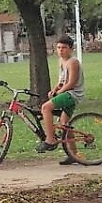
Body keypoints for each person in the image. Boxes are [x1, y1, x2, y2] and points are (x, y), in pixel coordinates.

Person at [37, 34, 84, 164]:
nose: (61, 50)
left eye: (64, 47)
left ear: (70, 49)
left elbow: (71, 83)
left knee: (45, 108)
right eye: (58, 47)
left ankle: (50, 139)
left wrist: (59, 93)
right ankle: (73, 155)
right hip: (66, 92)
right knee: (65, 125)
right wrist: (55, 89)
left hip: (72, 94)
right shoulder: (61, 62)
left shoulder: (73, 62)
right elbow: (62, 81)